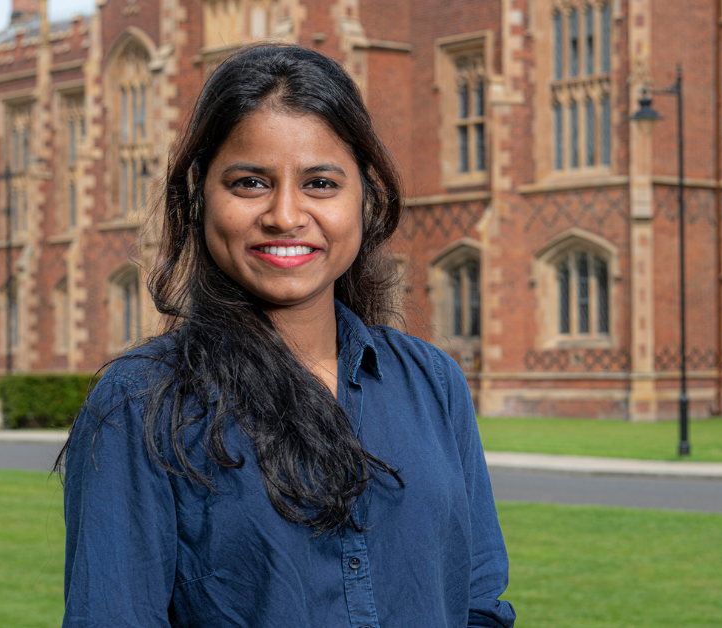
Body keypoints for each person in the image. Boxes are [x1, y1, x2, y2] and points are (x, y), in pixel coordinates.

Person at [58, 43, 516, 628]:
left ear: (364, 196)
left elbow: (478, 603)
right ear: (201, 195)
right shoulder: (140, 404)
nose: (285, 214)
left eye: (321, 183)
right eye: (250, 182)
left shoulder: (432, 382)